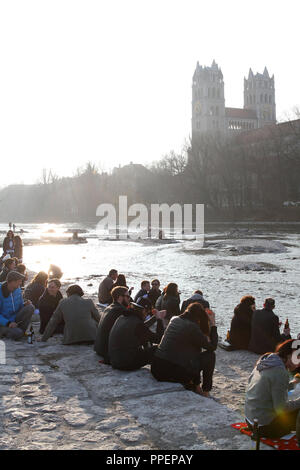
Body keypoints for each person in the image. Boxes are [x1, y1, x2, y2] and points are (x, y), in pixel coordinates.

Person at [151, 302, 218, 397]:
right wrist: (213, 324)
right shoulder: (192, 327)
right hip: (172, 373)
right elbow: (212, 347)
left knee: (192, 349)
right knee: (210, 356)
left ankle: (196, 386)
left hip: (157, 369)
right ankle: (206, 391)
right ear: (199, 317)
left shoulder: (174, 319)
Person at [245, 339, 300, 443]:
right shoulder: (280, 372)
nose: (298, 364)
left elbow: (270, 387)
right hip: (264, 427)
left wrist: (293, 384)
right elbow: (281, 409)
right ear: (289, 354)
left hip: (250, 421)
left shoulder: (266, 359)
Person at [108, 299, 165, 371]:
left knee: (146, 339)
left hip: (115, 360)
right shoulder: (137, 324)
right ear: (144, 311)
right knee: (157, 348)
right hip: (126, 363)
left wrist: (155, 317)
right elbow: (159, 339)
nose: (147, 315)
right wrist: (159, 320)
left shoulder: (122, 317)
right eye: (147, 312)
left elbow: (142, 329)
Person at [94, 286, 130, 363]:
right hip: (107, 351)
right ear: (120, 297)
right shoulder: (120, 310)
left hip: (99, 348)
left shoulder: (109, 307)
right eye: (127, 296)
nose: (129, 298)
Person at [0, 271, 34, 340]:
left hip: (15, 318)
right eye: (19, 281)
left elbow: (20, 306)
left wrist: (25, 304)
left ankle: (21, 330)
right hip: (3, 322)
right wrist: (8, 323)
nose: (21, 283)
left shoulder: (18, 290)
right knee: (18, 333)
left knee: (30, 307)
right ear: (12, 282)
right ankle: (7, 331)